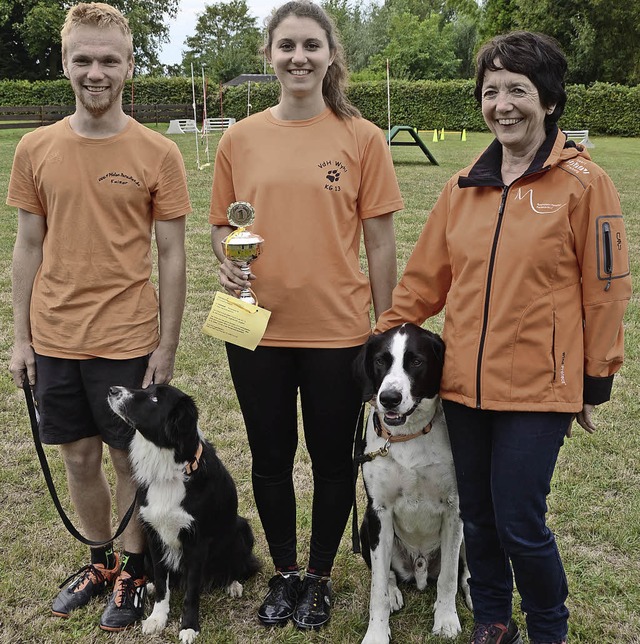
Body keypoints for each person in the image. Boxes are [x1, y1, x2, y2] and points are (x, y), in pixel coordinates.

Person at [375, 31, 631, 644]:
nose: (503, 104)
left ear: (547, 100)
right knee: (479, 518)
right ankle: (491, 619)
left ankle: (548, 627)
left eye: (518, 89)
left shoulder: (583, 183)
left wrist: (596, 379)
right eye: (491, 91)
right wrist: (379, 345)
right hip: (462, 387)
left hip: (540, 391)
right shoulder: (463, 184)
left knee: (519, 521)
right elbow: (423, 280)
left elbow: (608, 287)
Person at [209, 0, 403, 631]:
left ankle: (319, 577)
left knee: (330, 459)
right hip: (250, 324)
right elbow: (221, 226)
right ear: (268, 54)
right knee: (269, 455)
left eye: (311, 46)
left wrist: (387, 323)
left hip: (336, 329)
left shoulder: (362, 137)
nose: (298, 58)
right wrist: (226, 261)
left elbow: (379, 241)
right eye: (286, 46)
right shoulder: (240, 137)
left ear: (329, 56)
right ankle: (285, 573)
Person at [7, 2, 191, 633]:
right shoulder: (35, 148)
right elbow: (28, 244)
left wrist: (165, 347)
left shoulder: (157, 152)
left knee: (124, 461)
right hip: (55, 337)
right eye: (82, 59)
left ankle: (138, 571)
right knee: (79, 459)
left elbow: (170, 254)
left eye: (108, 59)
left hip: (125, 337)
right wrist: (21, 338)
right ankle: (100, 560)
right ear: (65, 64)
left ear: (130, 65)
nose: (95, 71)